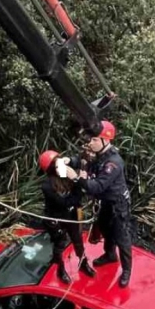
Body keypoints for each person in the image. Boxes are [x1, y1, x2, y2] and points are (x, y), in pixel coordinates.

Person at [76, 121, 134, 288]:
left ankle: (127, 270)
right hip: (105, 202)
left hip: (117, 204)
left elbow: (97, 186)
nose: (90, 143)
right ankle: (110, 254)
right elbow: (83, 160)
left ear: (105, 140)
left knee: (122, 237)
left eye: (94, 140)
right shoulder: (100, 155)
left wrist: (79, 177)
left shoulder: (113, 163)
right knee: (105, 228)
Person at [38, 150, 95, 284]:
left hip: (72, 216)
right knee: (59, 244)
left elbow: (80, 160)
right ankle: (60, 269)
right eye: (57, 166)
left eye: (60, 163)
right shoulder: (47, 186)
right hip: (57, 219)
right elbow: (65, 202)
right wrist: (79, 185)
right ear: (51, 170)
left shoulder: (66, 173)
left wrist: (79, 177)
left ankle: (83, 263)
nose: (61, 167)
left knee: (78, 241)